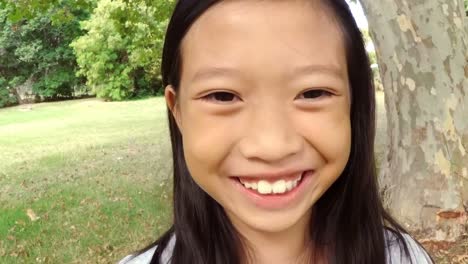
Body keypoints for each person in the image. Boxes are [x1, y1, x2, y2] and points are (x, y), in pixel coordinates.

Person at [120, 0, 434, 263]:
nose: (272, 146)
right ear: (178, 111)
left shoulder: (405, 258)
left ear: (354, 104)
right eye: (222, 96)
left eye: (312, 93)